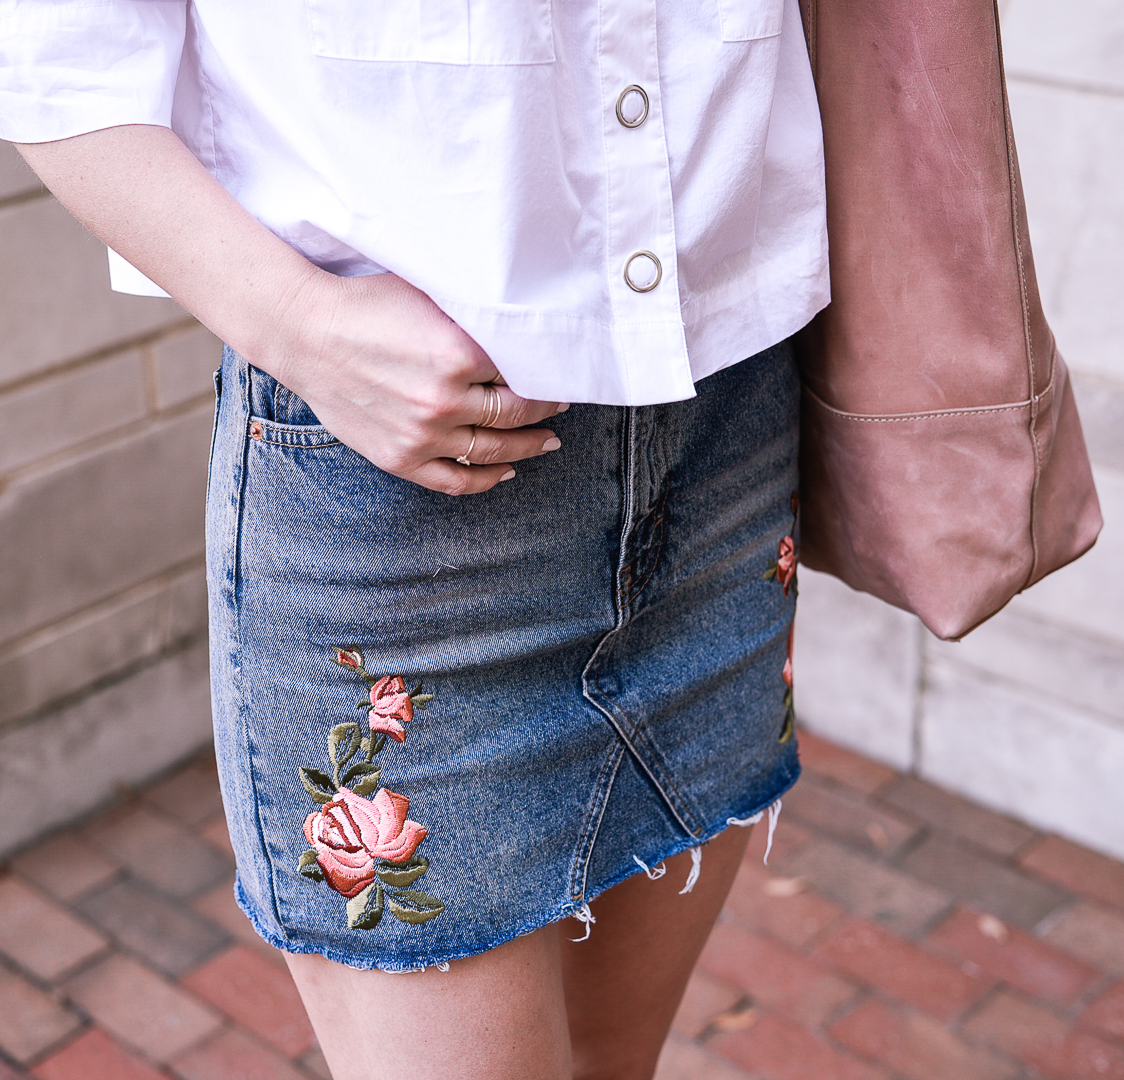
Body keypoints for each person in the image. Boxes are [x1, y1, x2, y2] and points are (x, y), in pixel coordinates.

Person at [1, 1, 828, 1077]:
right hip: (399, 495)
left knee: (616, 1064)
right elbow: (60, 59)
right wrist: (295, 321)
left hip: (726, 427)